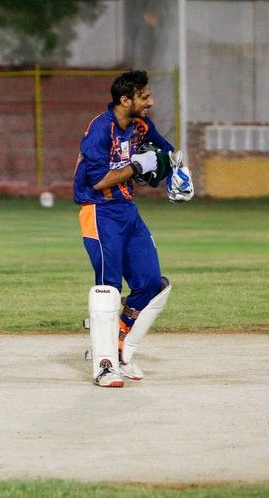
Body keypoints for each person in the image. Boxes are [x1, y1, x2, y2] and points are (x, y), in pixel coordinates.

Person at [74, 69, 194, 387]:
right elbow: (98, 181)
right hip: (99, 212)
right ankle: (104, 366)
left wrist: (179, 173)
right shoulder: (100, 130)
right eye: (144, 97)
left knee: (151, 283)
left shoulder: (141, 125)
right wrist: (138, 166)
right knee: (108, 288)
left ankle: (117, 344)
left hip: (128, 211)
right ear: (125, 100)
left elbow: (167, 152)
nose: (150, 102)